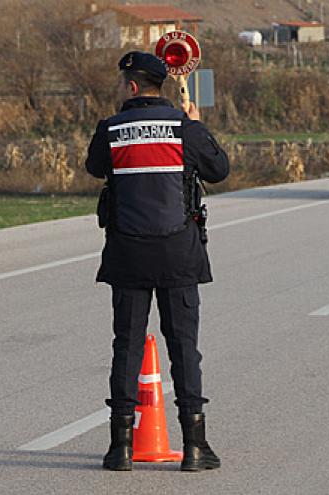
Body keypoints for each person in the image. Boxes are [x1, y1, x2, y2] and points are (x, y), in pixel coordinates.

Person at [85, 51, 230, 472]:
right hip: (178, 253)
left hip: (128, 253)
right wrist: (196, 124)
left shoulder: (111, 129)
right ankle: (195, 448)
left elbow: (95, 167)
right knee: (184, 348)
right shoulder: (184, 129)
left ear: (132, 86)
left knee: (127, 346)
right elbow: (219, 170)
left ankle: (120, 449)